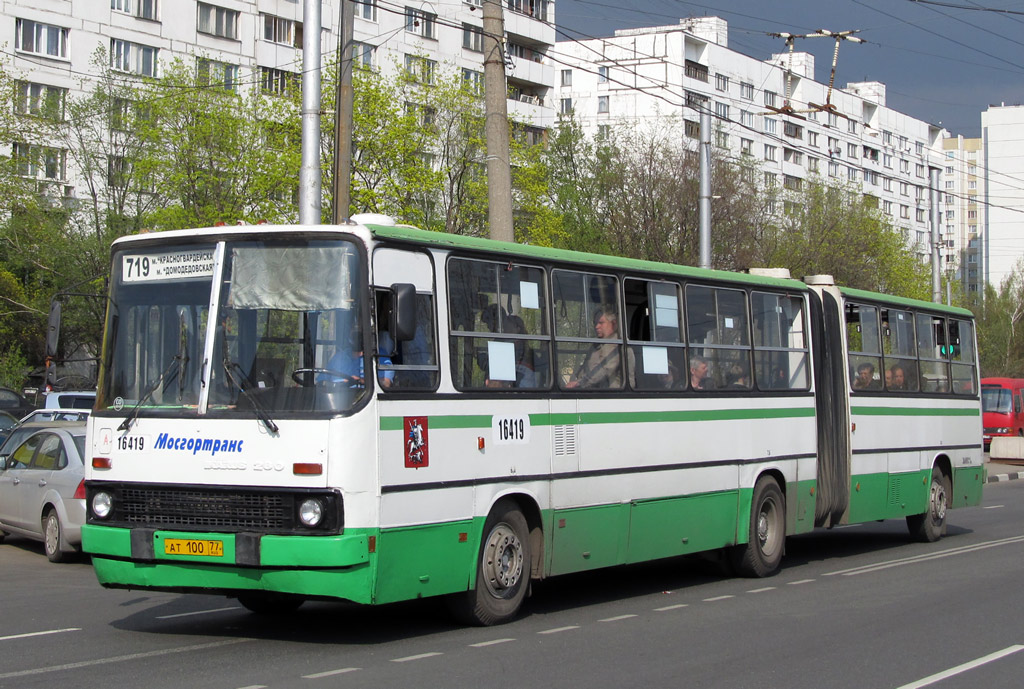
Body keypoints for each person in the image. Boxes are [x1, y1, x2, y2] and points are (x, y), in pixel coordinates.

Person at [566, 309, 633, 389]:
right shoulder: (596, 345)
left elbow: (604, 370)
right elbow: (585, 367)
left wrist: (579, 383)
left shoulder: (619, 346)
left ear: (614, 324)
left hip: (614, 394)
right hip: (595, 390)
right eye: (595, 323)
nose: (596, 326)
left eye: (601, 323)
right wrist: (574, 379)